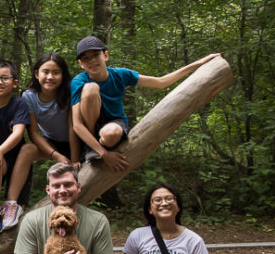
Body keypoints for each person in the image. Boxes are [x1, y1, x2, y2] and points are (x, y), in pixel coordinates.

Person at [71, 36, 220, 172]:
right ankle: (90, 147)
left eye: (96, 55)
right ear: (81, 64)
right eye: (86, 59)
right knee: (91, 88)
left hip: (113, 123)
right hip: (90, 125)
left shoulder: (120, 74)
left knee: (110, 134)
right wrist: (103, 154)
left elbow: (161, 82)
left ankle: (98, 143)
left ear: (106, 55)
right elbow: (77, 124)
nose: (91, 61)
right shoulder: (79, 81)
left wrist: (200, 62)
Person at [5, 52, 81, 216]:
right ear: (36, 73)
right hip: (51, 143)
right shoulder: (29, 96)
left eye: (56, 72)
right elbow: (33, 133)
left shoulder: (68, 94)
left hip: (76, 142)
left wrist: (74, 160)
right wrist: (56, 156)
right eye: (45, 72)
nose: (50, 77)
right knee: (27, 149)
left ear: (63, 75)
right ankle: (11, 205)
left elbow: (72, 127)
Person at [0, 60, 30, 243]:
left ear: (14, 82)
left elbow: (18, 132)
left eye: (5, 78)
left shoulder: (20, 104)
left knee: (14, 225)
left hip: (16, 158)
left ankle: (10, 206)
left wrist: (0, 150)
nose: (0, 82)